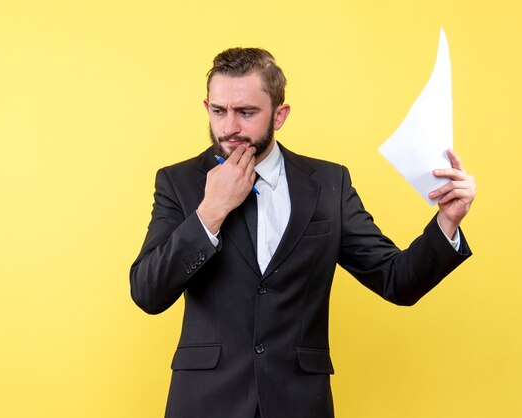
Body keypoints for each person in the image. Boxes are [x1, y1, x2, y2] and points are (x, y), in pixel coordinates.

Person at [130, 47, 475, 418]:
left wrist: (448, 223)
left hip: (298, 402)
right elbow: (148, 292)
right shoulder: (179, 182)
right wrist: (210, 211)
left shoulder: (328, 183)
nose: (229, 127)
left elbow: (397, 280)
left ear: (279, 115)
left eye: (246, 113)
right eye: (219, 111)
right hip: (205, 402)